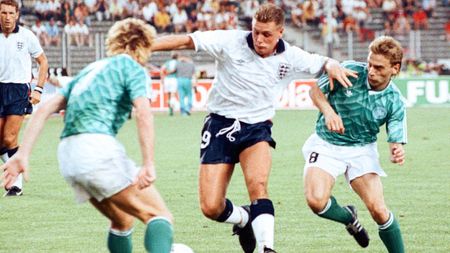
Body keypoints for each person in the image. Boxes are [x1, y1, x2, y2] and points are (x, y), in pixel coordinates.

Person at [150, 3, 356, 253]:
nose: (259, 39)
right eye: (256, 31)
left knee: (258, 186)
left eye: (266, 34)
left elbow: (323, 62)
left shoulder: (291, 56)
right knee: (211, 207)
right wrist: (144, 47)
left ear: (280, 32)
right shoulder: (230, 41)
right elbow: (186, 41)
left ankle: (267, 248)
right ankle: (244, 219)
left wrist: (332, 64)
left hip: (256, 129)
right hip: (219, 124)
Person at [1, 18, 174, 253]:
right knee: (159, 216)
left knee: (122, 221)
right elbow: (143, 113)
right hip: (96, 148)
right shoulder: (134, 68)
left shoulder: (90, 69)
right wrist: (149, 163)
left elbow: (44, 109)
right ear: (145, 46)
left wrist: (23, 154)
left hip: (68, 157)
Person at [302, 36, 407, 252]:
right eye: (370, 64)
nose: (371, 71)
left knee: (378, 210)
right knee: (316, 201)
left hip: (362, 150)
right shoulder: (349, 71)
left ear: (394, 69)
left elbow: (395, 137)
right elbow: (315, 91)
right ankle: (348, 217)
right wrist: (329, 112)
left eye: (379, 67)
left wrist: (397, 149)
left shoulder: (395, 100)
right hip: (327, 145)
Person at [0, 0, 48, 196]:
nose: (8, 17)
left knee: (10, 137)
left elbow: (43, 62)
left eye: (11, 13)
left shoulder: (27, 36)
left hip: (18, 90)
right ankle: (12, 171)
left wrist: (38, 89)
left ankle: (15, 184)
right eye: (4, 13)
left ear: (17, 15)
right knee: (1, 141)